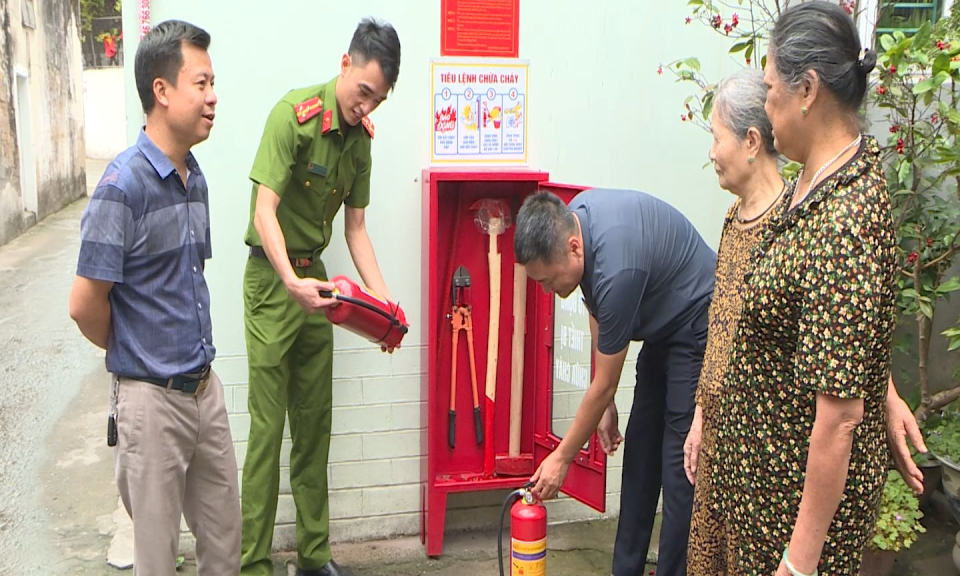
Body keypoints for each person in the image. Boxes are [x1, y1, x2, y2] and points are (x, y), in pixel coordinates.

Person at [683, 68, 928, 575]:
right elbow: (726, 328)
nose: (709, 152)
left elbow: (840, 333)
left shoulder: (799, 219)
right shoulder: (736, 218)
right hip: (728, 450)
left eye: (715, 137)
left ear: (753, 141)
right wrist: (703, 413)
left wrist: (887, 395)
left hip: (773, 467)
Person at [69, 20, 241, 575]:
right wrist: (138, 361)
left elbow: (186, 282)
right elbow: (84, 303)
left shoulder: (196, 178)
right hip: (150, 404)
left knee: (223, 547)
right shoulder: (122, 186)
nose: (213, 97)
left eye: (213, 83)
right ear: (161, 92)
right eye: (201, 83)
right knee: (157, 560)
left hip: (203, 392)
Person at [239, 18, 401, 576]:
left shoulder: (361, 144)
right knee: (266, 432)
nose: (366, 108)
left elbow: (356, 230)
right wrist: (288, 281)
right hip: (273, 280)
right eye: (363, 93)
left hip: (322, 287)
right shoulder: (293, 116)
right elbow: (264, 212)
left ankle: (313, 557)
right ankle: (255, 564)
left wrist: (385, 310)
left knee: (314, 427)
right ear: (344, 65)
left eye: (377, 101)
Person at [515, 189, 716, 576]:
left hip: (695, 323)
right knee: (640, 453)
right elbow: (597, 304)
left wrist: (562, 458)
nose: (547, 291)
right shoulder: (575, 222)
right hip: (661, 323)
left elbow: (606, 382)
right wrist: (603, 403)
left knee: (679, 467)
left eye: (548, 280)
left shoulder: (617, 267)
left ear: (573, 248)